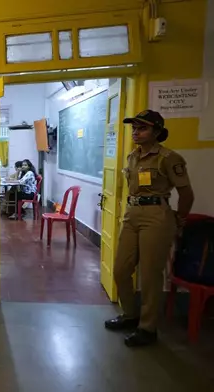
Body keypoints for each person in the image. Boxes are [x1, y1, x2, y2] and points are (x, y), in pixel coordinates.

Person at [104, 110, 194, 347]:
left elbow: (186, 193)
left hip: (156, 216)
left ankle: (147, 327)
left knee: (150, 274)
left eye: (142, 128)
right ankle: (130, 315)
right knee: (121, 269)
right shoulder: (133, 156)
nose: (136, 132)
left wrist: (179, 219)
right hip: (132, 214)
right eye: (134, 128)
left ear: (156, 132)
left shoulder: (168, 158)